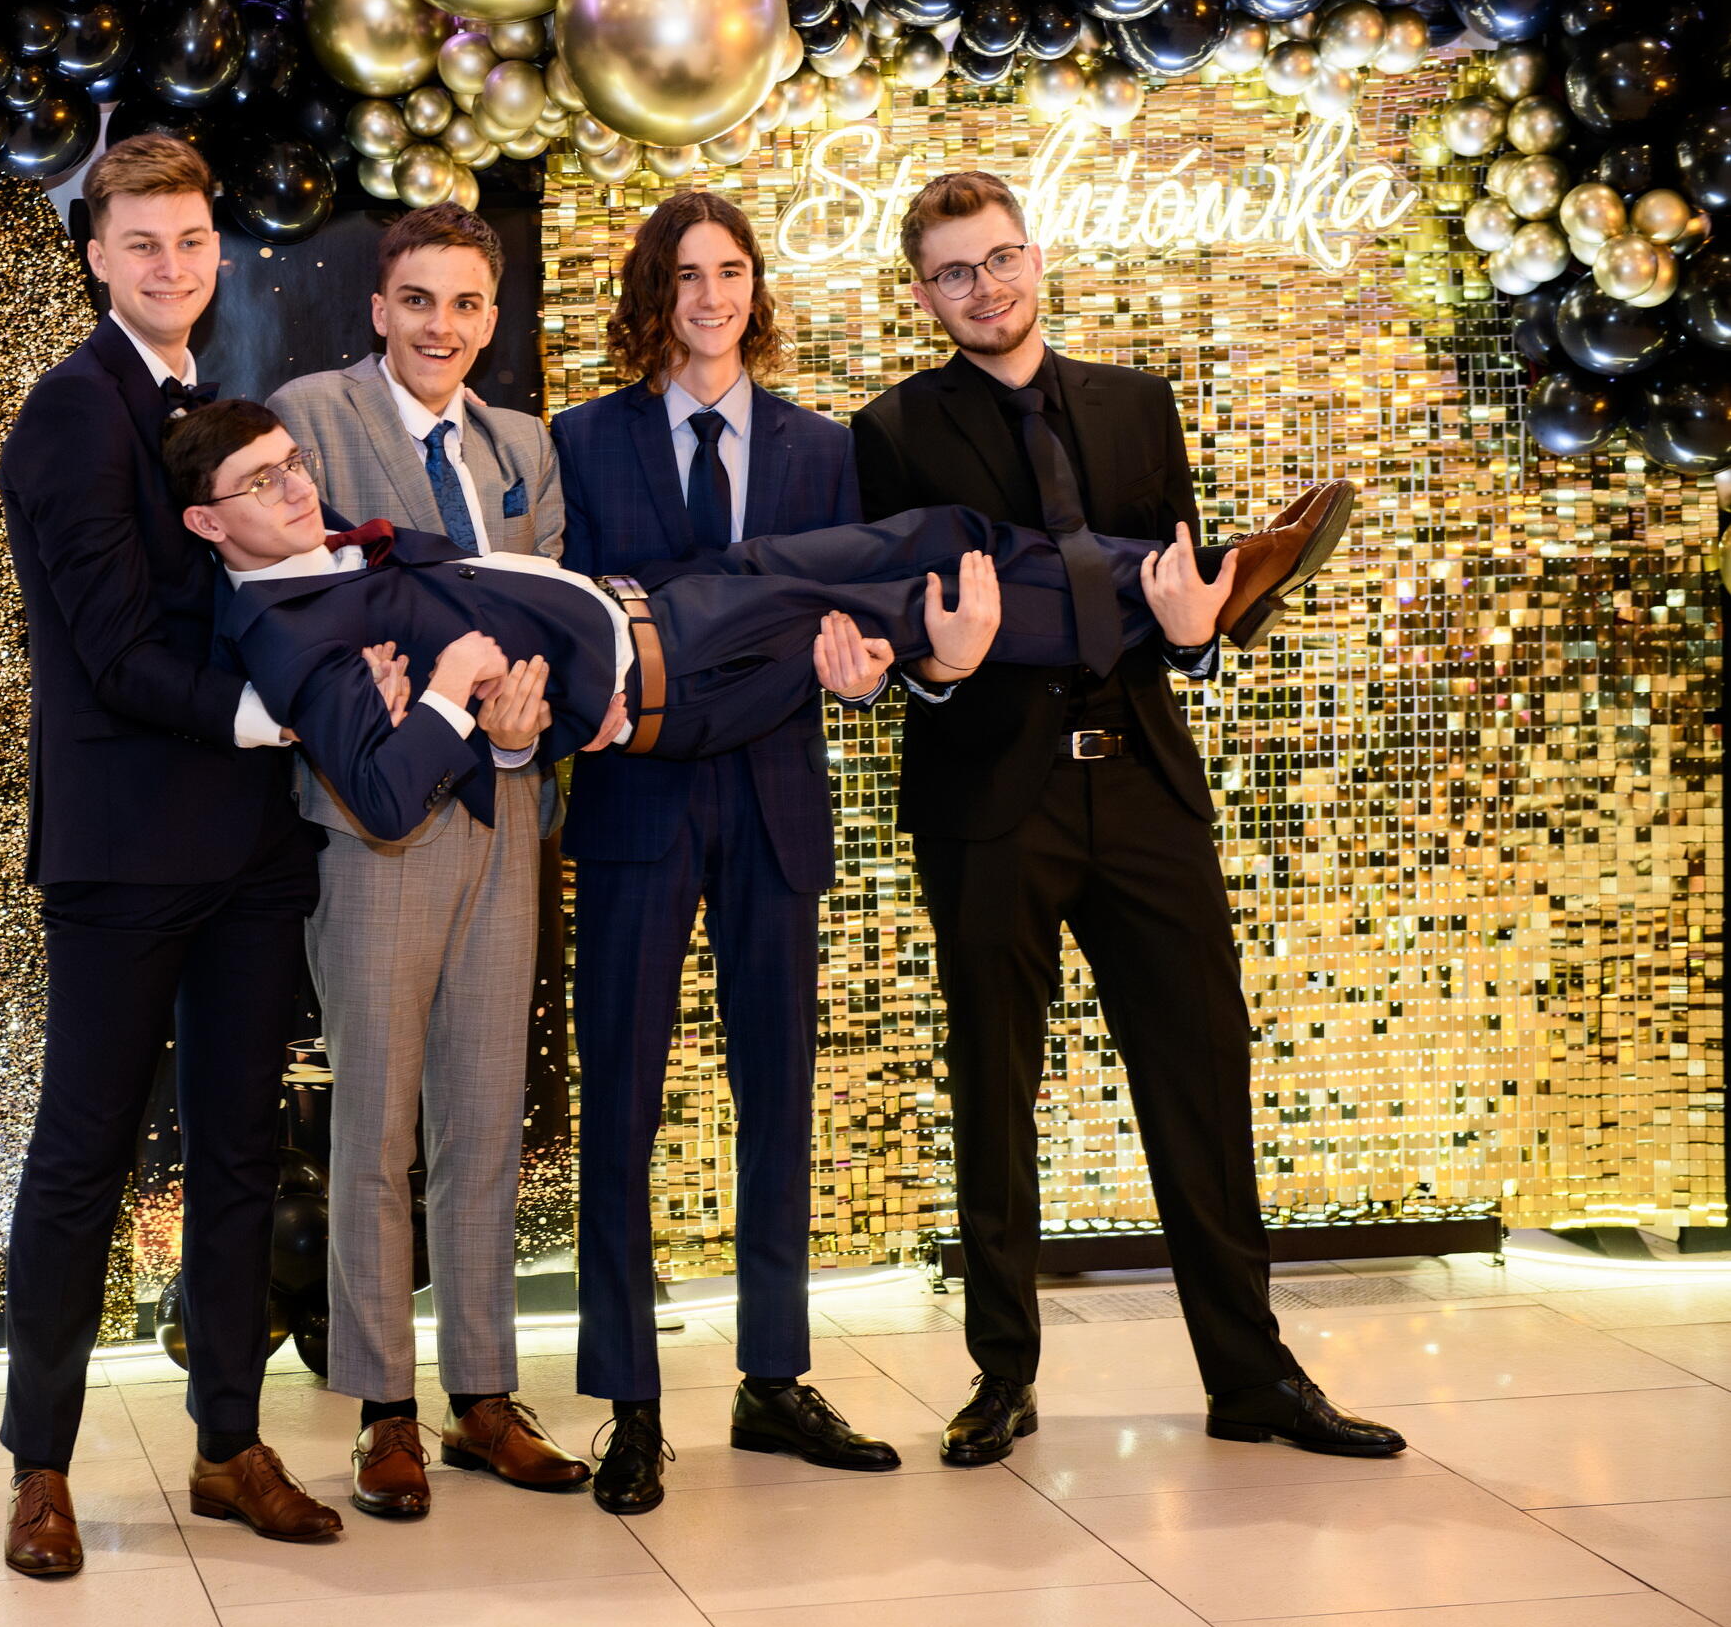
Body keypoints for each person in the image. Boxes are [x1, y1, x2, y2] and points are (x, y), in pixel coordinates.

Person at [850, 170, 1403, 1467]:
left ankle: (1252, 1376)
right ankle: (1001, 1376)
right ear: (921, 295)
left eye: (998, 258)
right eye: (952, 272)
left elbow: (1176, 602)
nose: (983, 288)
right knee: (993, 1084)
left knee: (1202, 1070)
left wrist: (1204, 634)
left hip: (1144, 782)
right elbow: (898, 635)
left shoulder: (1139, 405)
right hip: (989, 798)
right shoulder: (888, 433)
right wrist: (938, 664)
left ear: (1034, 257)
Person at [168, 399, 1337, 879]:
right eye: (260, 483)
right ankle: (1208, 592)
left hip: (664, 600)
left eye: (292, 463)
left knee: (937, 531)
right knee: (906, 601)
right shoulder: (285, 637)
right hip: (671, 670)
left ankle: (1180, 582)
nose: (295, 487)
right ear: (207, 523)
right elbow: (381, 798)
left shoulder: (314, 556)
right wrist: (449, 694)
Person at [0, 133, 341, 1578]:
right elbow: (112, 646)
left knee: (242, 1148)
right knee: (84, 1156)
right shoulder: (68, 415)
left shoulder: (210, 403)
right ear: (95, 255)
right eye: (141, 242)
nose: (170, 264)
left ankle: (226, 1445)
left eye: (191, 240)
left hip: (251, 845)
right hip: (126, 848)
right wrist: (270, 713)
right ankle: (40, 1467)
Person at [546, 190, 915, 1514]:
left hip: (772, 799)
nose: (711, 296)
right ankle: (630, 1402)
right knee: (620, 1105)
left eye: (732, 271)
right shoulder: (581, 438)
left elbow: (853, 622)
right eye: (686, 274)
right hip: (637, 802)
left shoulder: (824, 448)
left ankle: (773, 1376)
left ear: (757, 288)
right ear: (654, 294)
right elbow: (572, 614)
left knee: (778, 1097)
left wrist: (866, 670)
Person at [264, 204, 589, 1516]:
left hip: (502, 807)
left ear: (490, 319)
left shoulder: (524, 445)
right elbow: (292, 591)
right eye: (415, 299)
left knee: (484, 1116)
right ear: (377, 308)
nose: (438, 325)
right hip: (375, 818)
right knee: (375, 1126)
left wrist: (527, 715)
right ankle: (382, 1408)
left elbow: (550, 607)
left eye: (462, 303)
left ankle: (484, 1395)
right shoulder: (312, 416)